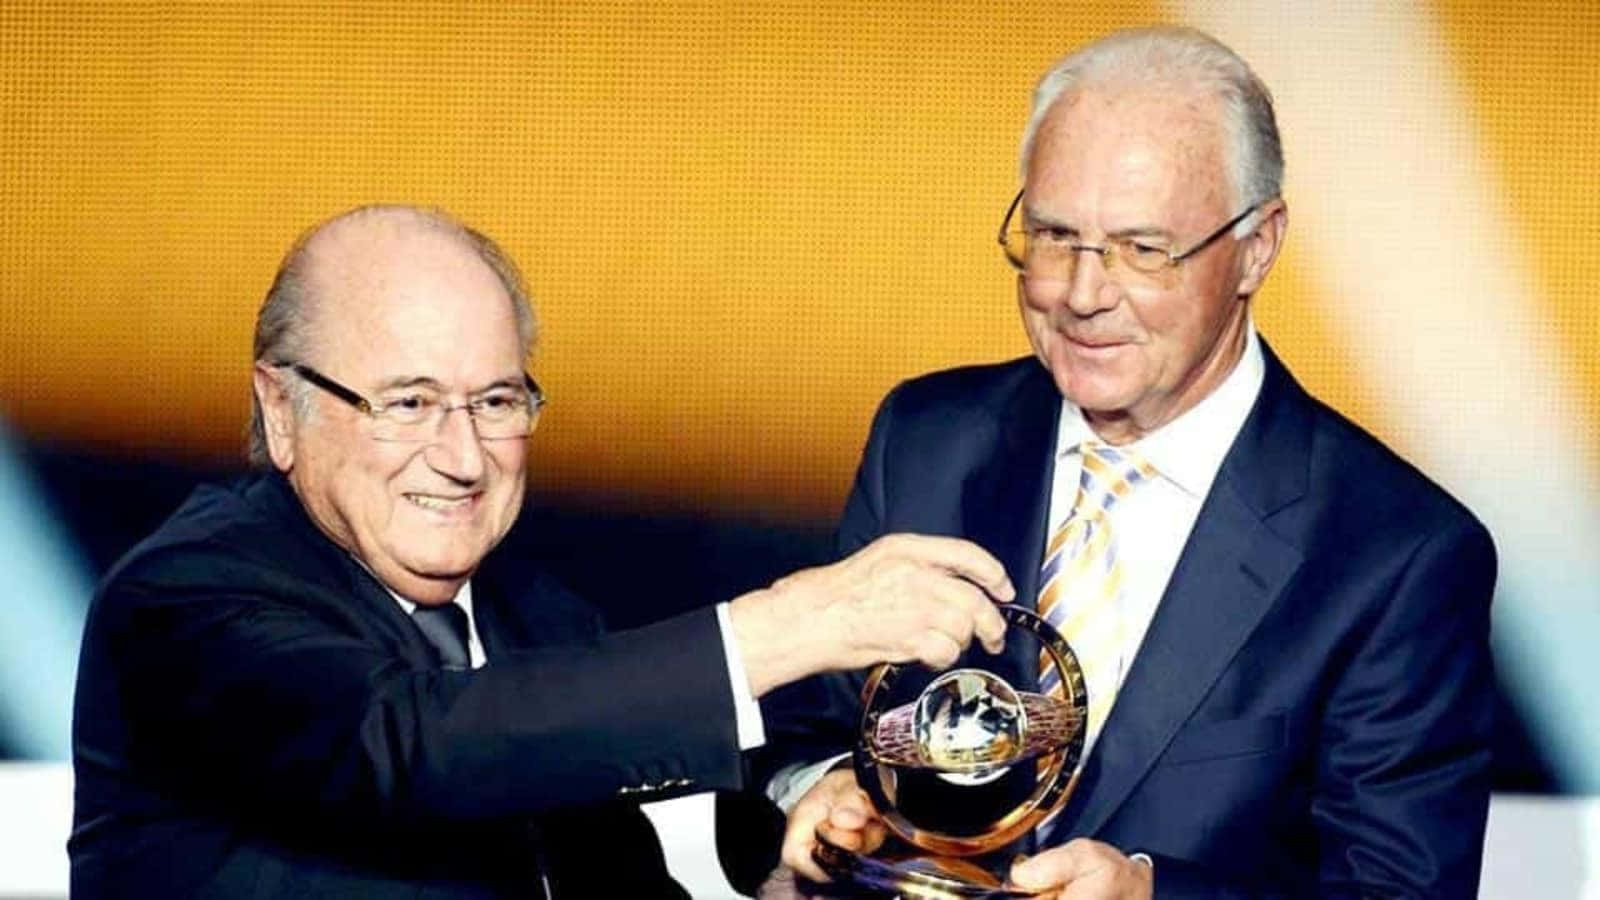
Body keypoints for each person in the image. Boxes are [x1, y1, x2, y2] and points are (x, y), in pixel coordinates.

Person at [68, 205, 1016, 898]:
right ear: (282, 409)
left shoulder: (536, 620)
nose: (462, 457)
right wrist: (789, 626)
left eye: (495, 402)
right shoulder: (185, 599)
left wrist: (799, 866)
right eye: (408, 403)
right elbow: (411, 744)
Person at [771, 26, 1496, 897]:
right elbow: (800, 728)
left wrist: (1151, 895)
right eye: (1054, 236)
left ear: (1257, 246)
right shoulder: (927, 440)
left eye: (1144, 249)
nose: (1083, 294)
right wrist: (820, 790)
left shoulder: (1395, 554)